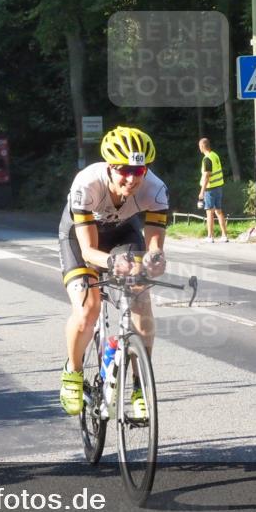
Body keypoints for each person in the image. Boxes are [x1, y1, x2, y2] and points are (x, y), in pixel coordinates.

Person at [58, 126, 169, 417]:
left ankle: (138, 385)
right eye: (123, 170)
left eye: (139, 170)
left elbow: (155, 241)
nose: (131, 179)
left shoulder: (155, 189)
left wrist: (155, 258)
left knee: (140, 301)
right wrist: (110, 263)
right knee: (88, 308)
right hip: (81, 238)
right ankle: (73, 372)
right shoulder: (86, 184)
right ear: (109, 167)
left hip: (123, 232)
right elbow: (88, 251)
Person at [197, 138, 228, 242]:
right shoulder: (215, 155)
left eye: (199, 146)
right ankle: (224, 235)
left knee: (209, 212)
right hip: (219, 186)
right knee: (219, 211)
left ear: (202, 147)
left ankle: (210, 236)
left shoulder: (207, 159)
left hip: (210, 189)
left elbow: (207, 176)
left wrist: (202, 191)